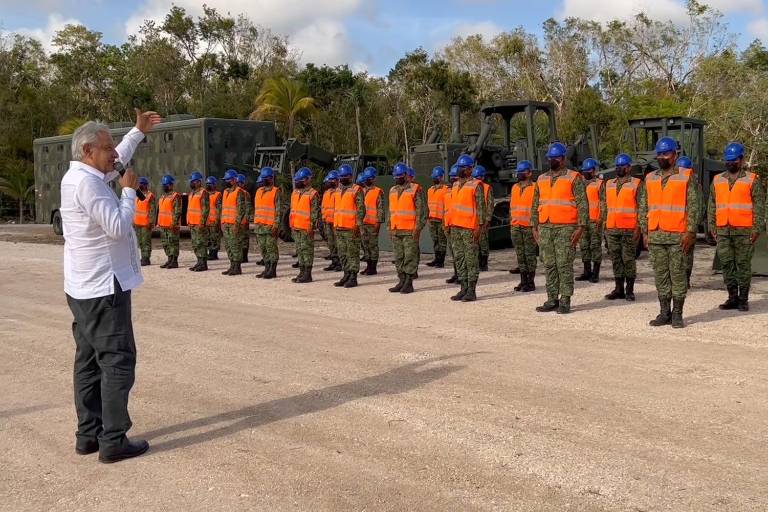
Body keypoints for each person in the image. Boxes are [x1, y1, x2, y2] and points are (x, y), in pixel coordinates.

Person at [61, 109, 161, 463]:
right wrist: (129, 192)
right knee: (118, 361)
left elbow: (118, 157)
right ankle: (113, 439)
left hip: (83, 288)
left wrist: (137, 132)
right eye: (107, 148)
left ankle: (88, 434)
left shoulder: (79, 176)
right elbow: (118, 227)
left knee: (88, 362)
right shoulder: (89, 185)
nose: (114, 153)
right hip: (104, 289)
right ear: (88, 150)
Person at [638, 137, 699, 328]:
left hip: (678, 236)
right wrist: (645, 232)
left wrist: (690, 232)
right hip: (656, 235)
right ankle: (664, 312)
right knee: (661, 276)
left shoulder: (686, 176)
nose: (662, 157)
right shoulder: (650, 178)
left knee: (678, 276)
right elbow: (643, 205)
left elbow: (694, 206)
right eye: (659, 154)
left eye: (666, 153)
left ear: (675, 155)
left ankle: (677, 314)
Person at [707, 142, 765, 311]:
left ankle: (743, 299)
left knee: (743, 265)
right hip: (723, 230)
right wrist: (712, 226)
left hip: (744, 231)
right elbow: (712, 204)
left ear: (741, 160)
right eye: (728, 160)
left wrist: (757, 229)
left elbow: (759, 206)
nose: (730, 163)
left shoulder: (752, 179)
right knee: (726, 264)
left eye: (734, 160)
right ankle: (732, 297)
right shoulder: (717, 180)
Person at [532, 142, 588, 314]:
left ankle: (565, 300)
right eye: (550, 158)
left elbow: (582, 204)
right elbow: (535, 204)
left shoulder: (574, 177)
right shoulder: (541, 179)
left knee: (564, 264)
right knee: (549, 264)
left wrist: (581, 227)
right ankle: (552, 299)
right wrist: (534, 227)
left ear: (563, 159)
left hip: (566, 227)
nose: (552, 160)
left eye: (555, 158)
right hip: (545, 227)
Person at [601, 154, 643, 301]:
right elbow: (604, 205)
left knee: (628, 259)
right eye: (617, 166)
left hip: (629, 229)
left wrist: (639, 227)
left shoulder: (637, 184)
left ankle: (629, 290)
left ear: (629, 168)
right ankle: (618, 289)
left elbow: (642, 207)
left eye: (622, 166)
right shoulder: (609, 184)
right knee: (616, 259)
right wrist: (604, 225)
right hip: (612, 228)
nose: (619, 168)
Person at [447, 154, 486, 301]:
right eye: (459, 167)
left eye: (463, 167)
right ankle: (463, 288)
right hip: (455, 227)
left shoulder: (476, 185)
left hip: (469, 228)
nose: (460, 170)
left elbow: (481, 209)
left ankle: (471, 290)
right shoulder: (455, 185)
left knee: (471, 260)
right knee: (459, 258)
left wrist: (479, 228)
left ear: (470, 169)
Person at [388, 162, 427, 294]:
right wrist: (389, 228)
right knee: (398, 257)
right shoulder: (392, 190)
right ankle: (401, 280)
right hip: (396, 229)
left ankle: (409, 283)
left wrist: (418, 228)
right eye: (396, 176)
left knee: (410, 257)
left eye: (400, 176)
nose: (398, 178)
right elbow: (391, 211)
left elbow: (421, 211)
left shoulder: (416, 189)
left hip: (410, 230)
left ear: (406, 175)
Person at [333, 164, 365, 288]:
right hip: (339, 227)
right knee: (342, 253)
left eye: (345, 176)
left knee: (352, 253)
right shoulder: (337, 190)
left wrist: (358, 224)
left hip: (351, 228)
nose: (342, 179)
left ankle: (353, 277)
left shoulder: (357, 189)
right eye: (341, 177)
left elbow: (361, 209)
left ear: (351, 176)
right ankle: (346, 274)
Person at [288, 167, 320, 283]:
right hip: (296, 227)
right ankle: (301, 272)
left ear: (307, 180)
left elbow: (315, 212)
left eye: (299, 180)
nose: (297, 182)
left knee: (307, 251)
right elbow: (293, 210)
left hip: (306, 228)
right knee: (300, 250)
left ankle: (307, 274)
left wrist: (311, 226)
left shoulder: (313, 194)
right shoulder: (295, 193)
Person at [509, 160, 537, 292]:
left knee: (529, 255)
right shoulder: (515, 187)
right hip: (516, 226)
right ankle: (523, 280)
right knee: (520, 255)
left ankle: (530, 282)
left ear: (529, 173)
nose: (519, 174)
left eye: (522, 172)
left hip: (529, 226)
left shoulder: (535, 187)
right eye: (518, 172)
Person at [576, 158, 603, 283]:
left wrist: (601, 218)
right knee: (584, 246)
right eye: (584, 170)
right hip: (582, 221)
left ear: (593, 171)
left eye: (588, 170)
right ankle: (587, 272)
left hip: (594, 221)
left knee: (595, 246)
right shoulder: (579, 184)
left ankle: (595, 273)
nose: (586, 173)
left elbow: (603, 203)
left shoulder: (599, 184)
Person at [677, 155, 701, 288]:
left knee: (686, 254)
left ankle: (685, 280)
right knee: (683, 255)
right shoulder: (694, 185)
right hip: (679, 225)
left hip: (687, 226)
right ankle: (682, 280)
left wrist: (692, 227)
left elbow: (699, 207)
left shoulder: (695, 186)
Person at [253, 167, 281, 279]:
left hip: (270, 226)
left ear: (271, 178)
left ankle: (272, 270)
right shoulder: (258, 191)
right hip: (259, 226)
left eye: (266, 178)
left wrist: (276, 225)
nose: (264, 180)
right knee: (263, 248)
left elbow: (278, 210)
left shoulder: (276, 191)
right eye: (263, 178)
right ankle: (266, 268)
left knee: (271, 248)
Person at [220, 169, 248, 276]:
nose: (226, 182)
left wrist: (237, 224)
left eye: (228, 180)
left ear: (234, 180)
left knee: (235, 245)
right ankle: (232, 266)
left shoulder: (239, 192)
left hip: (234, 225)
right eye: (226, 180)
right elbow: (224, 209)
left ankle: (237, 267)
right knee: (228, 246)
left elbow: (241, 210)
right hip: (226, 224)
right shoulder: (225, 192)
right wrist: (222, 222)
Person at [361, 167, 384, 275]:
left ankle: (373, 268)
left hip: (372, 224)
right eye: (366, 178)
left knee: (373, 246)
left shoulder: (378, 191)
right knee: (365, 246)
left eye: (369, 178)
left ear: (373, 178)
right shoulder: (361, 191)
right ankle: (368, 266)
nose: (367, 180)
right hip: (363, 223)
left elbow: (380, 209)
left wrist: (378, 223)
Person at [157, 174, 182, 269]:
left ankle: (174, 261)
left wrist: (174, 223)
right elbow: (160, 211)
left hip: (171, 225)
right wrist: (158, 223)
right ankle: (169, 259)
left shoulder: (175, 196)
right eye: (163, 185)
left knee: (173, 243)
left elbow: (177, 211)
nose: (164, 186)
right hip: (163, 225)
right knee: (166, 243)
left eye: (166, 185)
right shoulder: (162, 196)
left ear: (171, 185)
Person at [186, 171, 210, 272]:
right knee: (195, 244)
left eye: (193, 181)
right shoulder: (191, 193)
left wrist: (202, 222)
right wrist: (188, 221)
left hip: (200, 224)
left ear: (199, 182)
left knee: (201, 243)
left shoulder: (203, 193)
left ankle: (203, 264)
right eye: (191, 181)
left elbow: (205, 209)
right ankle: (199, 261)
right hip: (192, 223)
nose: (191, 183)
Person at [426, 166, 449, 268]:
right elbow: (428, 205)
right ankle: (436, 259)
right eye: (434, 177)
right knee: (435, 240)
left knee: (442, 241)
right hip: (432, 219)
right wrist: (428, 217)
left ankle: (441, 261)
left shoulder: (446, 189)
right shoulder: (430, 190)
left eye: (437, 177)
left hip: (441, 219)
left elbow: (447, 205)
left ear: (441, 177)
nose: (435, 178)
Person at [472, 165, 493, 271]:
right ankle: (477, 262)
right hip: (473, 219)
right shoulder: (472, 187)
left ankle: (483, 264)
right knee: (475, 242)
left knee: (483, 242)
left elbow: (490, 204)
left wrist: (488, 219)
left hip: (483, 219)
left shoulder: (487, 188)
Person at [133, 177, 156, 266]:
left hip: (146, 223)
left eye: (141, 184)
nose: (139, 186)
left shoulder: (150, 196)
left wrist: (151, 222)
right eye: (139, 184)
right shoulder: (136, 196)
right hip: (137, 223)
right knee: (140, 242)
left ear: (145, 185)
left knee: (146, 241)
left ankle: (146, 258)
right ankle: (143, 257)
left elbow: (152, 210)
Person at [321, 171, 342, 272]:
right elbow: (323, 207)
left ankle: (340, 263)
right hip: (327, 222)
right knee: (331, 243)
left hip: (336, 222)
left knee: (338, 244)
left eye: (332, 180)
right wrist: (323, 218)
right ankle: (334, 261)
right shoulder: (326, 193)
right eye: (330, 180)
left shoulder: (340, 192)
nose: (330, 182)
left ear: (337, 180)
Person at [445, 164, 461, 284]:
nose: (452, 179)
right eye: (451, 177)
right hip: (449, 226)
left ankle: (461, 275)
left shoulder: (461, 191)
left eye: (454, 177)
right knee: (453, 252)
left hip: (459, 225)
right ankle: (456, 273)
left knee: (460, 254)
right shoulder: (447, 192)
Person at [205, 176, 222, 261]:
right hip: (207, 221)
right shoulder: (205, 194)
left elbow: (219, 209)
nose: (208, 185)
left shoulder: (217, 195)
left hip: (214, 221)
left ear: (214, 185)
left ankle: (214, 254)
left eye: (210, 184)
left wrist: (218, 220)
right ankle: (210, 252)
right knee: (208, 238)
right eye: (207, 184)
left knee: (215, 237)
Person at [237, 173, 253, 264]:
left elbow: (248, 208)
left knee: (244, 239)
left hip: (243, 221)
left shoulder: (245, 194)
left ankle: (244, 256)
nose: (238, 185)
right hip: (237, 220)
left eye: (240, 183)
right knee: (239, 239)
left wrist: (246, 219)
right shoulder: (236, 193)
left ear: (243, 184)